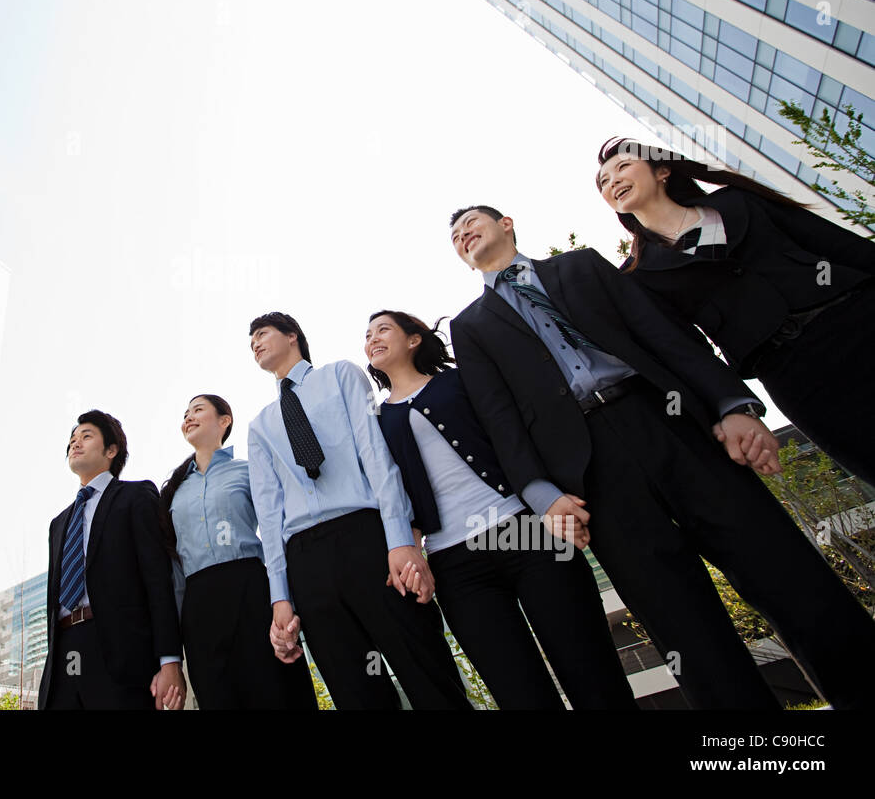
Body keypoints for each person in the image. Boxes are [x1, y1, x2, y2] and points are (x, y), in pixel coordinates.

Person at [446, 205, 875, 709]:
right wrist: (542, 496)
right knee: (680, 623)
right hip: (590, 473)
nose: (463, 234)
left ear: (506, 224)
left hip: (669, 423)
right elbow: (500, 420)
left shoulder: (581, 266)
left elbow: (661, 333)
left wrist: (732, 404)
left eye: (471, 222)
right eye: (455, 236)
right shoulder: (470, 326)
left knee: (781, 566)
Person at [365, 309, 635, 709]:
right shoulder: (377, 421)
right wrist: (410, 546)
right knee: (517, 690)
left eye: (383, 329)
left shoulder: (459, 381)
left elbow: (512, 435)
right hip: (453, 559)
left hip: (523, 528)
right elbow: (396, 493)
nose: (372, 339)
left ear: (414, 339)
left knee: (590, 668)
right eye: (367, 335)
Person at [595, 135, 875, 486]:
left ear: (662, 171)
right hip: (794, 376)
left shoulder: (738, 201)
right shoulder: (638, 277)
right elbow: (684, 351)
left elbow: (840, 246)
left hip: (859, 319)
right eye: (604, 182)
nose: (613, 181)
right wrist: (731, 407)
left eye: (622, 167)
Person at [247, 311, 471, 710]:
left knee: (423, 664)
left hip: (366, 537)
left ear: (292, 336)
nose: (255, 345)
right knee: (354, 687)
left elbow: (377, 457)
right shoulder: (260, 426)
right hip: (306, 560)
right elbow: (269, 514)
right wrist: (280, 596)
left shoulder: (340, 376)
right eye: (251, 343)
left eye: (262, 334)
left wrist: (400, 540)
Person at [159, 394, 318, 710]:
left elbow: (276, 535)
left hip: (250, 591)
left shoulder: (249, 471)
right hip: (198, 605)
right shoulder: (173, 491)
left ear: (224, 420)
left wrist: (283, 599)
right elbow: (173, 568)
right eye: (185, 412)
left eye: (198, 410)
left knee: (276, 690)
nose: (189, 417)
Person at [38, 410, 185, 710]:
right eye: (72, 440)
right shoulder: (58, 523)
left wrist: (170, 660)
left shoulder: (135, 496)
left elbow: (157, 580)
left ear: (111, 450)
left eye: (86, 436)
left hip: (119, 655)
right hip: (64, 654)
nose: (75, 444)